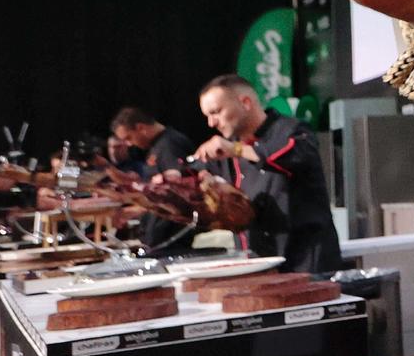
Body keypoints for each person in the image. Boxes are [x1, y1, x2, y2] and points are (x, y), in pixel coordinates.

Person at [192, 75, 340, 272]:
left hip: (305, 263)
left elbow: (281, 156)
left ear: (245, 102)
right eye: (207, 116)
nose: (212, 123)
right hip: (257, 263)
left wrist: (236, 149)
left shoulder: (292, 130)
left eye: (216, 112)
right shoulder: (226, 151)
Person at [110, 107, 196, 249]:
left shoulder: (170, 144)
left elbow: (176, 191)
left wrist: (136, 209)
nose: (130, 144)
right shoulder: (157, 146)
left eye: (129, 138)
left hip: (173, 237)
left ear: (141, 127)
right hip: (159, 235)